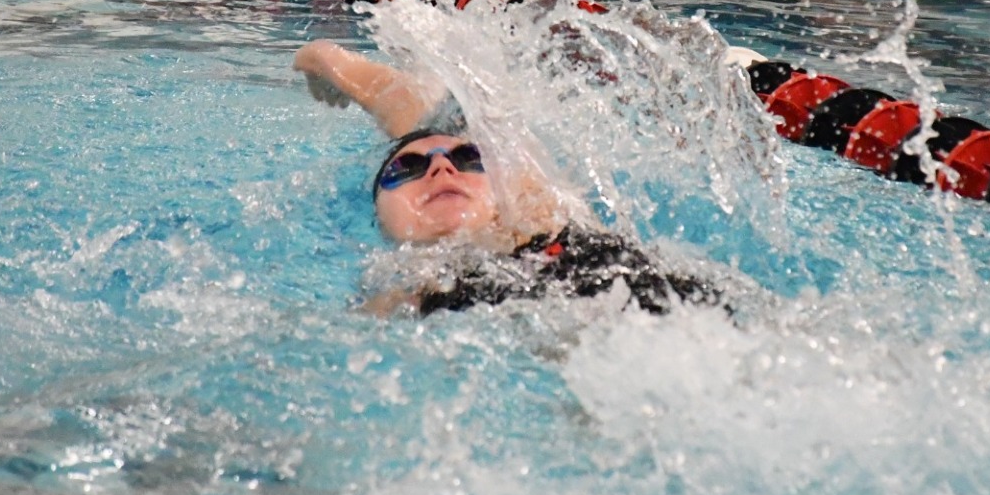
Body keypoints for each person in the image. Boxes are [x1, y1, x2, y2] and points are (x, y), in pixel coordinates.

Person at [293, 38, 719, 316]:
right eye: (407, 168)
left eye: (470, 159)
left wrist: (321, 58)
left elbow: (418, 105)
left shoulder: (535, 214)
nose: (443, 167)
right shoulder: (392, 304)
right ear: (376, 216)